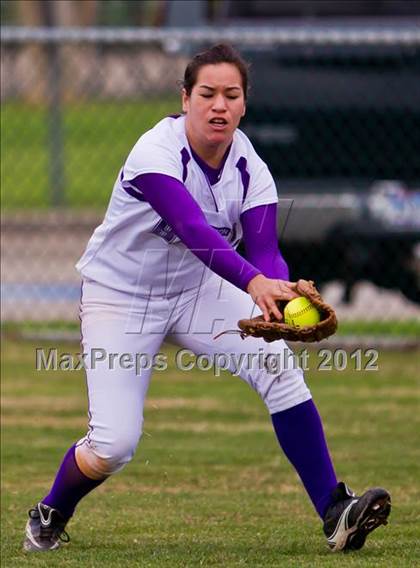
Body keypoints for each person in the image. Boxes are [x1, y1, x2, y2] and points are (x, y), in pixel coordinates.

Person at [23, 44, 390, 553]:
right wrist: (254, 283)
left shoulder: (249, 166)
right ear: (185, 98)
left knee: (277, 368)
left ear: (244, 105)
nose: (219, 105)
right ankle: (52, 509)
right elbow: (194, 230)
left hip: (199, 289)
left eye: (231, 95)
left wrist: (279, 292)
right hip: (122, 296)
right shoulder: (154, 152)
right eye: (207, 93)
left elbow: (264, 251)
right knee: (113, 446)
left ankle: (336, 510)